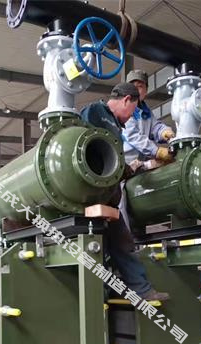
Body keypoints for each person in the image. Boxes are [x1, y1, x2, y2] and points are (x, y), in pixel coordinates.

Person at [81, 83, 169, 301]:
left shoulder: (115, 126)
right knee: (101, 247)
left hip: (107, 198)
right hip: (88, 197)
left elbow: (112, 162)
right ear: (126, 100)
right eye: (132, 111)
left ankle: (142, 290)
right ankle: (102, 294)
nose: (131, 117)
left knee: (123, 243)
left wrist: (132, 168)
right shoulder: (96, 113)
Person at [124, 70, 175, 170]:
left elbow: (155, 127)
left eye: (140, 86)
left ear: (146, 90)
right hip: (123, 163)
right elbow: (133, 136)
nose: (135, 90)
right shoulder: (124, 108)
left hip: (139, 164)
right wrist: (156, 151)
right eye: (132, 86)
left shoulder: (146, 112)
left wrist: (164, 131)